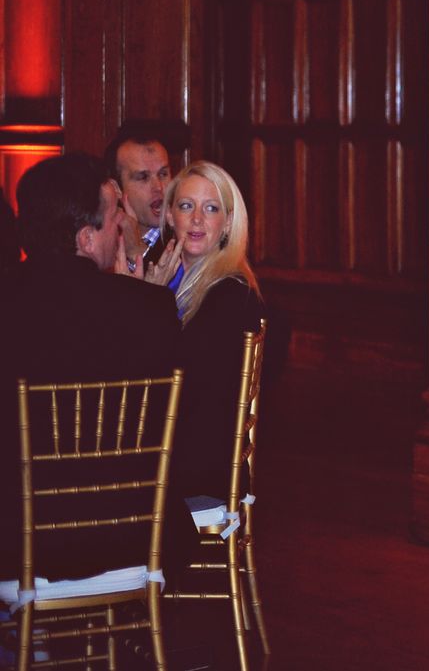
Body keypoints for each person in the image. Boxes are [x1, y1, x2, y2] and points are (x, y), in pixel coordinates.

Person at [0, 153, 181, 582]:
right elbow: (171, 425)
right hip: (127, 535)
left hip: (13, 543)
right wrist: (141, 296)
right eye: (115, 213)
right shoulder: (148, 308)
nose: (122, 223)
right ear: (86, 238)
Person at [162, 161, 267, 504]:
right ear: (169, 216)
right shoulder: (176, 280)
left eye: (211, 209)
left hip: (201, 473)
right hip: (184, 449)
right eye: (186, 206)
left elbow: (180, 378)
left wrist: (146, 301)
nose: (196, 219)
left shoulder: (232, 294)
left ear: (228, 223)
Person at [103, 124, 182, 282]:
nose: (158, 187)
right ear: (116, 188)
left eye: (163, 174)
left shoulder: (188, 236)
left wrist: (136, 251)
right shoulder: (101, 239)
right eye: (143, 177)